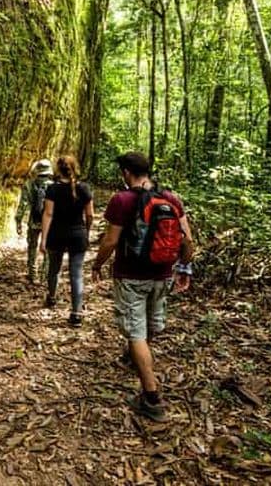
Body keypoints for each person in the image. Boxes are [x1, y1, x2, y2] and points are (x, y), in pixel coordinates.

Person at [91, 152, 193, 422]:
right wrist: (184, 268)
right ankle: (134, 356)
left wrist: (97, 265)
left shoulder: (122, 200)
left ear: (126, 172)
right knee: (148, 326)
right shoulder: (171, 198)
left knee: (135, 332)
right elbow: (188, 239)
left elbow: (111, 241)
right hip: (163, 274)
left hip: (131, 275)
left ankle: (151, 398)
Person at [39, 155, 94, 326]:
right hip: (78, 235)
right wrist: (87, 231)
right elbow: (90, 215)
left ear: (58, 170)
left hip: (57, 235)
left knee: (53, 269)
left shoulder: (53, 189)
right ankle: (76, 313)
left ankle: (52, 297)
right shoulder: (84, 188)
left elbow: (48, 214)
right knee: (76, 275)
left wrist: (43, 238)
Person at [16, 159, 54, 283]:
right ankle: (45, 275)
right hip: (49, 223)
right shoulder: (54, 186)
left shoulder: (29, 184)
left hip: (34, 220)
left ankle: (33, 274)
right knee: (48, 247)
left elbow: (23, 204)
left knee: (32, 246)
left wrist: (18, 221)